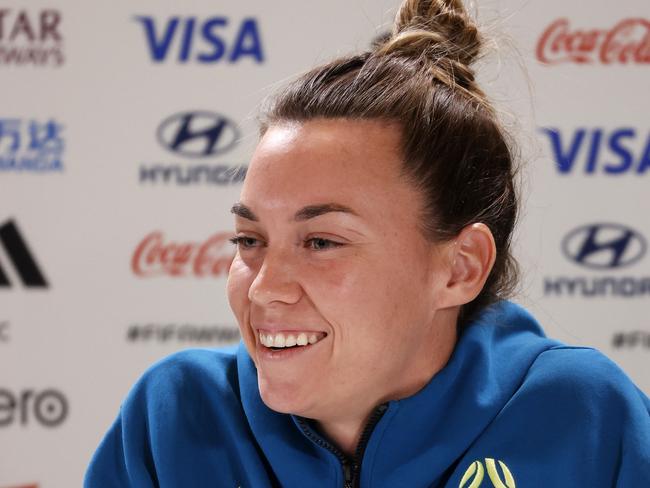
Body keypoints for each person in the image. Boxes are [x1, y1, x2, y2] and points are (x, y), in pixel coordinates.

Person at [85, 0, 650, 486]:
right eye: (249, 239)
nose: (264, 287)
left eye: (322, 241)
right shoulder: (175, 414)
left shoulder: (586, 416)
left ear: (460, 267)